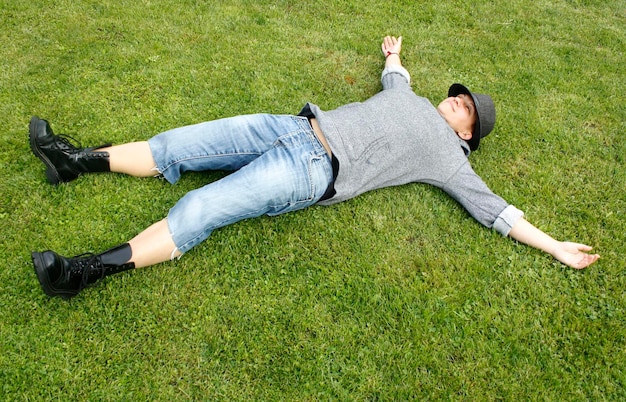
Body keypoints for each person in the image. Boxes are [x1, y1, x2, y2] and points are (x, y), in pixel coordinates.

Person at [29, 36, 599, 300]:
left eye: (466, 108)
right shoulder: (413, 98)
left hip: (312, 172)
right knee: (177, 143)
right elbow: (394, 75)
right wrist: (394, 54)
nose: (456, 101)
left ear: (468, 133)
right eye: (459, 96)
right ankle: (72, 161)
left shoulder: (449, 159)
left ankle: (83, 273)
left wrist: (556, 246)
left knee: (202, 208)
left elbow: (495, 211)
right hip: (291, 126)